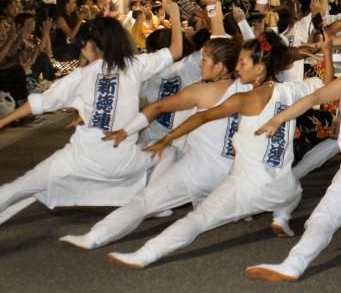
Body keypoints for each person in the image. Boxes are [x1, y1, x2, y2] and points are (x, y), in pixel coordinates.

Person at [107, 32, 324, 269]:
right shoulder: (291, 90)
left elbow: (203, 116)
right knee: (294, 191)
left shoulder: (245, 98)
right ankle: (282, 216)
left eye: (242, 64)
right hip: (282, 188)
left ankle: (145, 254)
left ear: (260, 69)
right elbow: (325, 83)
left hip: (247, 188)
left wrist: (167, 137)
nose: (237, 68)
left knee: (197, 220)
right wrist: (328, 52)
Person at [0, 3, 183, 227]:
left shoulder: (81, 75)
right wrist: (174, 15)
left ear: (93, 45)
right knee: (167, 150)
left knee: (22, 186)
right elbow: (175, 51)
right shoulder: (134, 65)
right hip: (123, 162)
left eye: (83, 43)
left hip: (81, 159)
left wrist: (5, 120)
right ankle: (152, 203)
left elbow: (39, 103)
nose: (81, 47)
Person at [245, 23, 341, 282]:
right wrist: (329, 45)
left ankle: (293, 265)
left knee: (323, 217)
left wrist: (278, 119)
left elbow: (311, 99)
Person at [58, 37, 245, 250]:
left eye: (204, 60)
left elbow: (157, 108)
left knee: (144, 201)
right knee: (201, 209)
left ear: (219, 67)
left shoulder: (202, 91)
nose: (200, 64)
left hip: (200, 169)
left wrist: (126, 131)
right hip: (232, 173)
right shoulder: (249, 90)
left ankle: (96, 236)